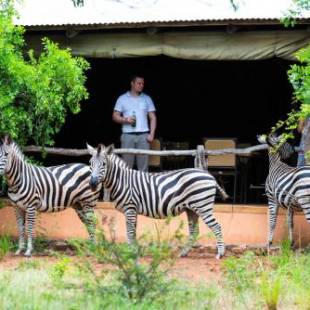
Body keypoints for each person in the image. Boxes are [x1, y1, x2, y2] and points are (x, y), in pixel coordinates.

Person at [112, 75, 157, 172]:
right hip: (127, 135)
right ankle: (126, 187)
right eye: (139, 83)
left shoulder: (147, 98)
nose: (141, 85)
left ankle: (143, 186)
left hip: (143, 136)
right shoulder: (122, 98)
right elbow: (115, 116)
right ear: (132, 83)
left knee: (144, 167)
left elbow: (153, 117)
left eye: (143, 84)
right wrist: (125, 120)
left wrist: (152, 134)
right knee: (126, 167)